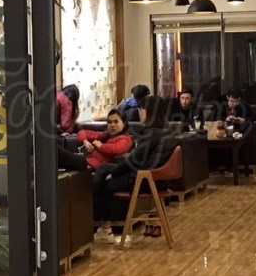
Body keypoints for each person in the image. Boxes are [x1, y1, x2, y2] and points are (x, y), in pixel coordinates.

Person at [93, 96, 177, 238]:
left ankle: (99, 224)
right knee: (103, 170)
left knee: (104, 181)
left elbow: (134, 159)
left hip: (143, 180)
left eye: (141, 109)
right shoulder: (167, 131)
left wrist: (114, 173)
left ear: (148, 111)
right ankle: (103, 227)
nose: (139, 113)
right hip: (156, 179)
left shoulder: (151, 133)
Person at [59, 108, 133, 172]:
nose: (112, 125)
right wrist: (85, 141)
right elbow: (82, 132)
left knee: (59, 153)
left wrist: (101, 146)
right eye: (109, 122)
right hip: (87, 162)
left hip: (92, 166)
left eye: (116, 122)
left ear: (124, 123)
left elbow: (116, 148)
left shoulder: (126, 139)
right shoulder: (105, 135)